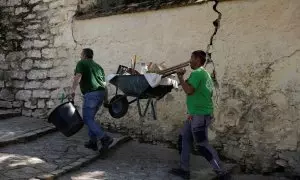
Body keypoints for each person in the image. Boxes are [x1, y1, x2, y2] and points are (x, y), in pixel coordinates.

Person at [169, 50, 230, 180]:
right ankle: (184, 169)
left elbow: (189, 90)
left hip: (199, 115)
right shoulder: (205, 74)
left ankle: (222, 172)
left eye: (191, 57)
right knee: (184, 138)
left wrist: (180, 77)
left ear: (197, 59)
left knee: (202, 145)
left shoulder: (197, 73)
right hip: (196, 114)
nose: (189, 60)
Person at [71, 48, 113, 152]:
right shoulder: (98, 67)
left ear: (84, 55)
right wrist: (106, 100)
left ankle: (105, 138)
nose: (80, 56)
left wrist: (72, 90)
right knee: (90, 118)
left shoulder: (82, 63)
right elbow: (105, 86)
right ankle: (93, 142)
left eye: (81, 55)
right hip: (101, 94)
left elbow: (78, 76)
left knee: (87, 119)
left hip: (91, 95)